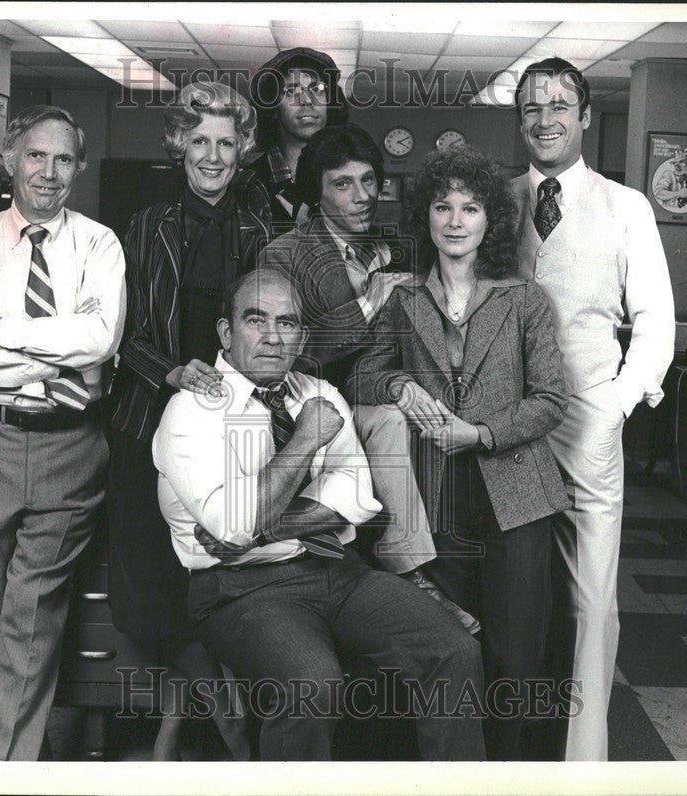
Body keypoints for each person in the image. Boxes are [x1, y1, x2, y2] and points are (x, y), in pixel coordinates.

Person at [152, 268, 486, 761]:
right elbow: (233, 526)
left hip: (339, 572)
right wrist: (307, 438)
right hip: (243, 591)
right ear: (226, 332)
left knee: (456, 651)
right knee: (313, 683)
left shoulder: (320, 393)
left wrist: (255, 525)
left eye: (286, 323)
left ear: (302, 337)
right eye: (255, 320)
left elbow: (357, 497)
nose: (271, 337)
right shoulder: (191, 410)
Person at [349, 146, 570, 759]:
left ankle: (503, 770)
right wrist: (399, 383)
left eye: (469, 208)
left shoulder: (524, 299)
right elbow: (359, 379)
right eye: (442, 206)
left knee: (515, 659)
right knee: (447, 652)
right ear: (425, 216)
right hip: (435, 497)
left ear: (488, 220)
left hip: (518, 497)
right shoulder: (402, 299)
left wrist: (482, 435)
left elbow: (552, 400)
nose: (454, 220)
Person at [0, 105, 126, 760]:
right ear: (10, 160)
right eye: (37, 156)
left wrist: (4, 331)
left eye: (65, 158)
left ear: (78, 167)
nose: (49, 172)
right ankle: (23, 747)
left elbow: (99, 339)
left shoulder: (99, 245)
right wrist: (53, 356)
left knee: (30, 611)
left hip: (70, 445)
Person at [510, 57, 676, 761]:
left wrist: (615, 405)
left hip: (588, 421)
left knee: (592, 597)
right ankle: (511, 744)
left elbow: (657, 321)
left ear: (583, 115)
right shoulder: (499, 198)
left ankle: (585, 758)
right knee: (514, 584)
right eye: (530, 107)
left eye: (558, 104)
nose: (544, 118)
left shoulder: (626, 206)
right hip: (509, 423)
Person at [259, 124, 479, 632]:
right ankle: (416, 577)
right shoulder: (283, 254)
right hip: (297, 413)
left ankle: (419, 574)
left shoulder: (390, 250)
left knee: (406, 418)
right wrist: (370, 301)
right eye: (343, 184)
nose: (362, 197)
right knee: (388, 422)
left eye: (368, 181)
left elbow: (391, 352)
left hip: (362, 399)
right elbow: (282, 353)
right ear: (316, 191)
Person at [107, 80, 270, 760]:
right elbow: (122, 333)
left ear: (242, 151)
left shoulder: (265, 230)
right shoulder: (143, 227)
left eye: (225, 143)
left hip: (232, 430)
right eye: (199, 140)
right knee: (153, 590)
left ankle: (181, 725)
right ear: (179, 146)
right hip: (147, 421)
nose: (212, 155)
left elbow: (272, 331)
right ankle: (226, 720)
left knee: (219, 575)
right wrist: (171, 372)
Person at [249, 47, 350, 235]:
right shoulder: (245, 182)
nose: (306, 100)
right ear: (272, 108)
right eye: (291, 91)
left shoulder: (348, 177)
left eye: (317, 89)